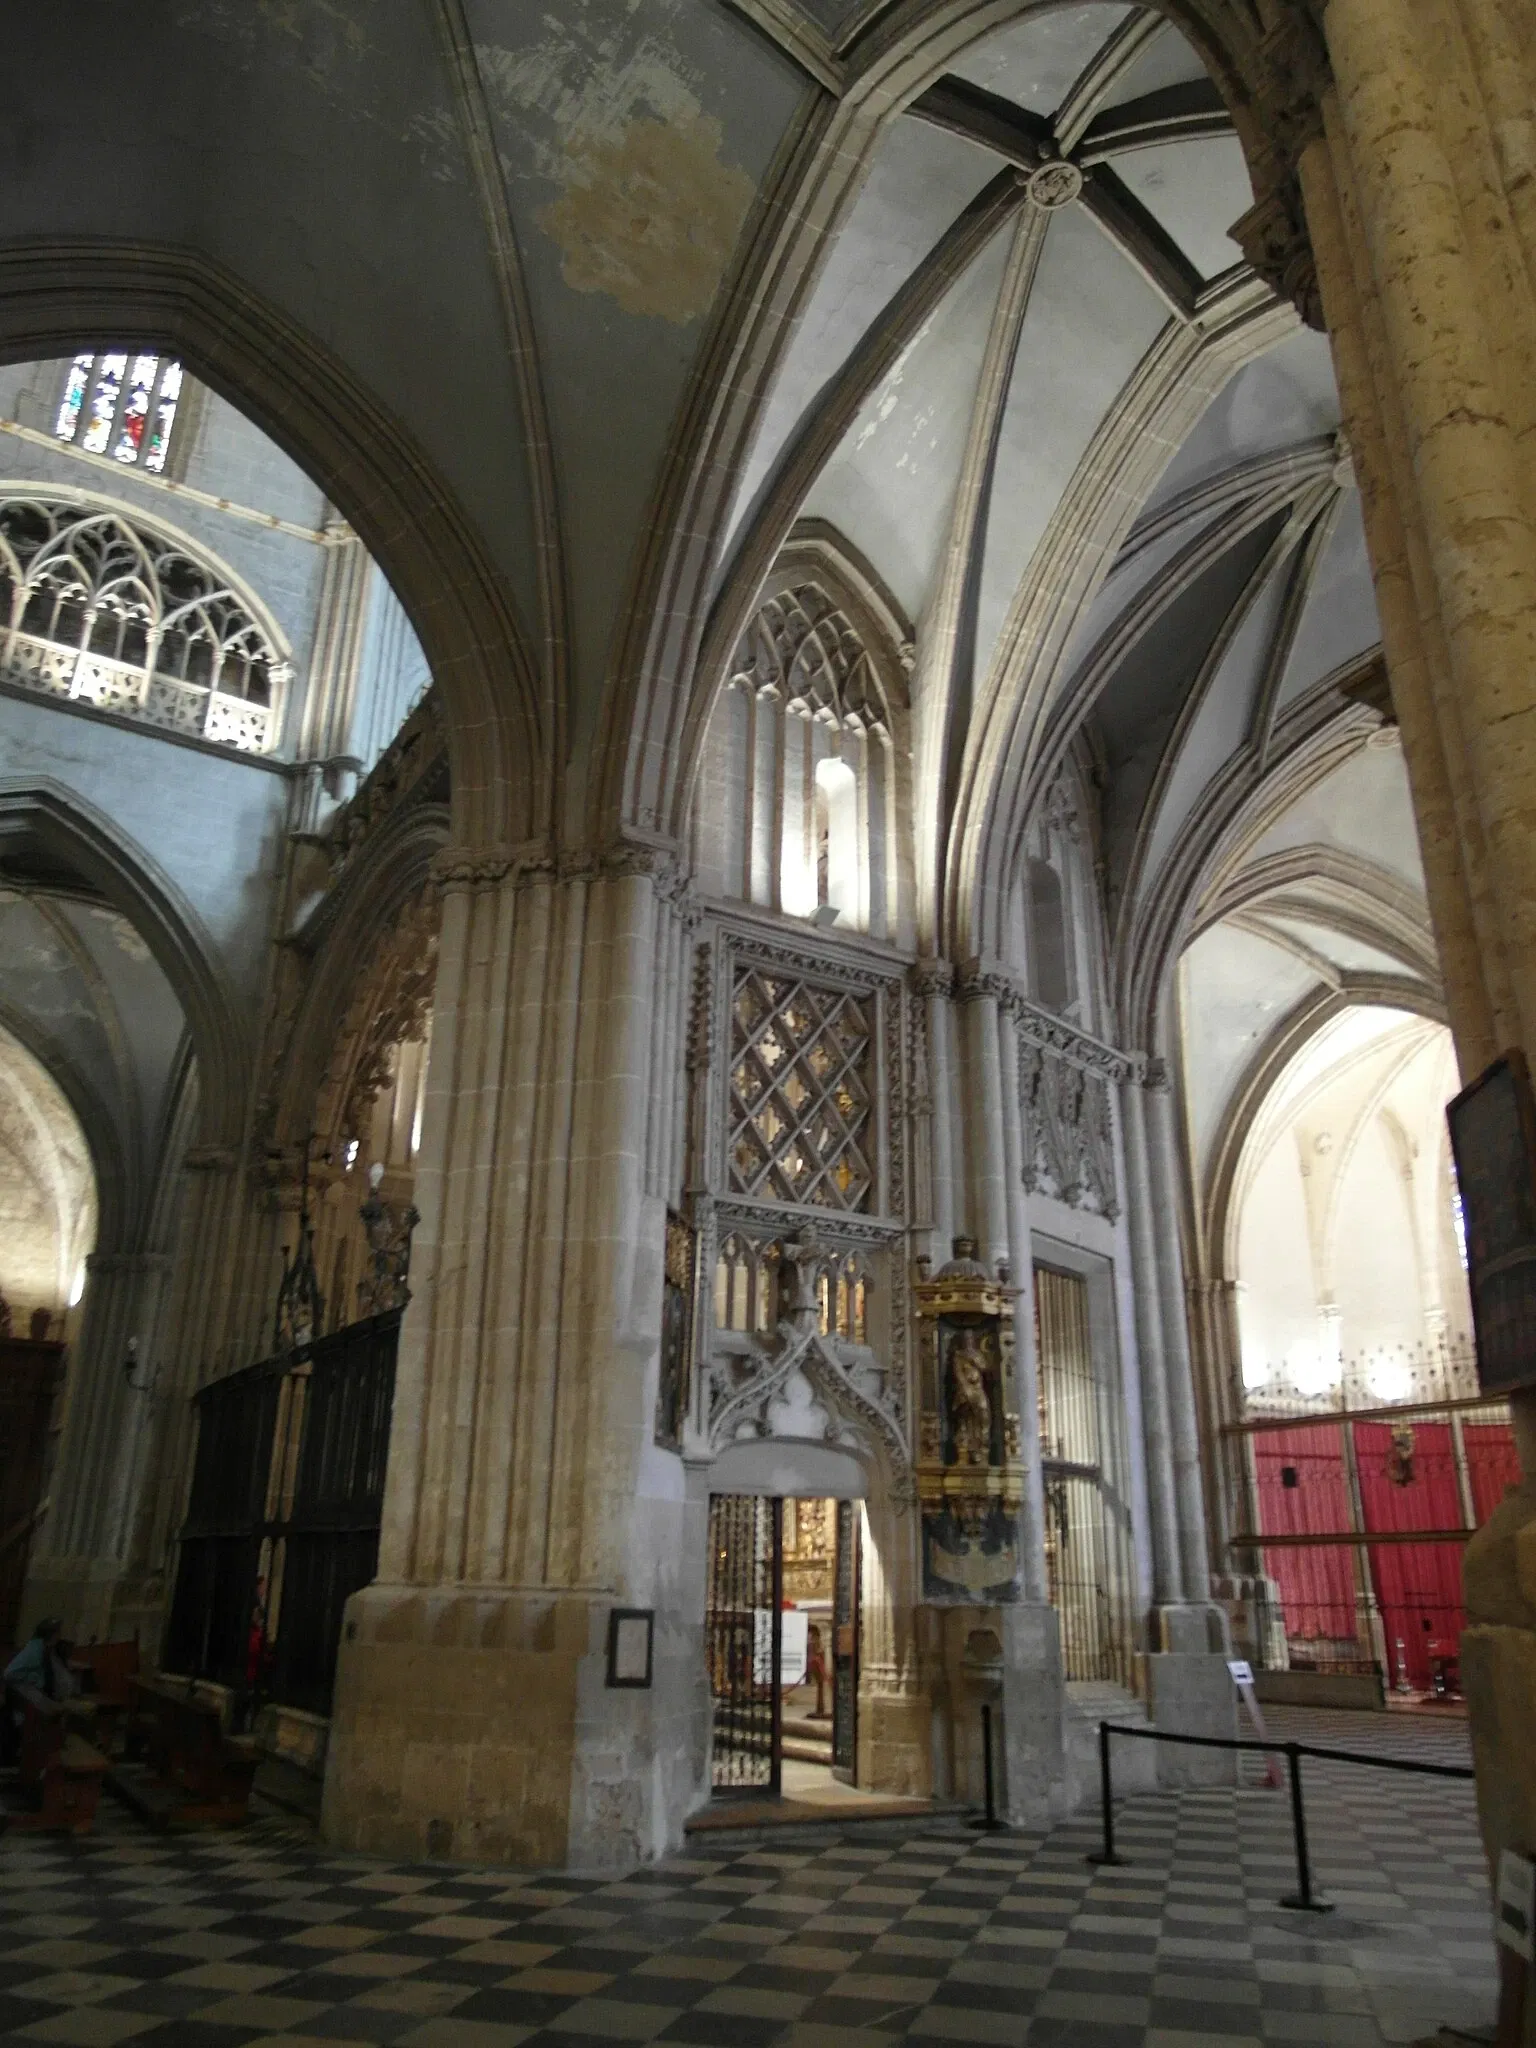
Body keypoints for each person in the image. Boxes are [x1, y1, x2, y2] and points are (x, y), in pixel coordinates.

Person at [2, 1618, 70, 1764]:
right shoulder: (34, 1650)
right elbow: (9, 1674)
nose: (60, 1636)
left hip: (36, 1698)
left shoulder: (46, 1650)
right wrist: (33, 1679)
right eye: (57, 1632)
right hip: (27, 1701)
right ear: (51, 1634)